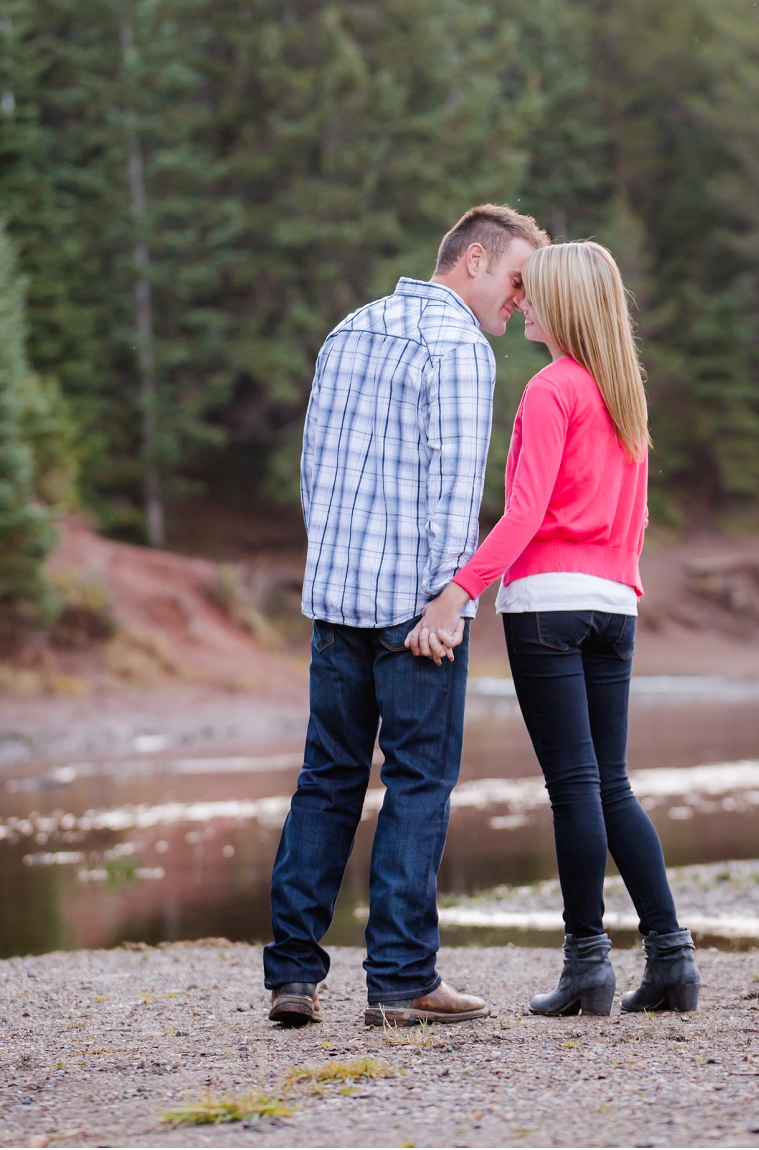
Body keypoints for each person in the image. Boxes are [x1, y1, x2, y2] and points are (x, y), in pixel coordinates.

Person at [264, 204, 550, 1028]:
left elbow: (314, 471)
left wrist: (329, 572)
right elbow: (455, 496)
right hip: (414, 610)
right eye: (517, 280)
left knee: (327, 780)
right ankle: (399, 981)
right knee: (419, 784)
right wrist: (448, 606)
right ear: (474, 261)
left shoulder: (349, 329)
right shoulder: (460, 348)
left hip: (337, 600)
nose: (521, 302)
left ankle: (293, 976)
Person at [408, 240, 700, 1017]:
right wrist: (620, 586)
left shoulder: (552, 389)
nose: (521, 303)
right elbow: (633, 522)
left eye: (533, 293)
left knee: (573, 788)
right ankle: (671, 959)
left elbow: (525, 514)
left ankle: (586, 966)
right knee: (612, 783)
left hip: (549, 606)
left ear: (563, 304)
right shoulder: (624, 394)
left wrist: (456, 593)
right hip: (614, 605)